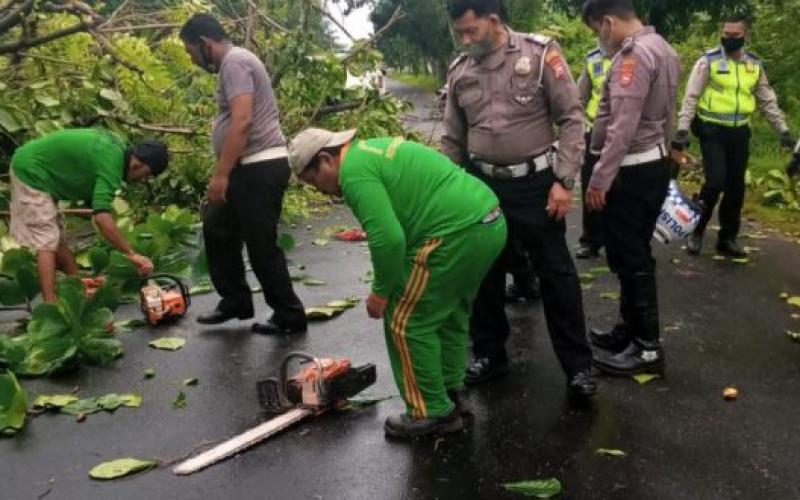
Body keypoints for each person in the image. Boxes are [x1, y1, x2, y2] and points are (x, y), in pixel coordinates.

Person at [288, 129, 507, 439]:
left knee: (407, 320)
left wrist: (381, 292)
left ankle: (432, 411)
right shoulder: (370, 149)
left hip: (455, 233)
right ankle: (448, 390)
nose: (321, 191)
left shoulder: (353, 173)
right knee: (449, 311)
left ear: (325, 159)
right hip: (488, 220)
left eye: (314, 182)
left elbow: (388, 240)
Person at [443, 0, 596, 396]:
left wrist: (565, 180)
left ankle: (578, 368)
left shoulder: (540, 53)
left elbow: (572, 119)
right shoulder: (460, 70)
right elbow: (453, 140)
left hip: (535, 184)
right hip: (480, 186)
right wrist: (446, 192)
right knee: (482, 272)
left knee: (556, 273)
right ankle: (489, 355)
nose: (464, 39)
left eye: (470, 30)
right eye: (458, 32)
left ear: (493, 21)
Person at [179, 14, 306, 334]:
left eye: (191, 51)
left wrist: (221, 174)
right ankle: (236, 299)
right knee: (217, 226)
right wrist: (225, 169)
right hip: (244, 166)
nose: (192, 60)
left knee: (261, 245)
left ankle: (290, 315)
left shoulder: (234, 62)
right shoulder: (233, 63)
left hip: (259, 166)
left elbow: (242, 120)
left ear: (206, 44)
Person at [581, 0, 680, 375]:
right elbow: (667, 114)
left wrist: (600, 178)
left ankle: (647, 348)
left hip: (630, 168)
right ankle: (630, 331)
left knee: (630, 255)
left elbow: (622, 125)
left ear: (607, 22)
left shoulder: (633, 56)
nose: (599, 39)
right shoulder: (663, 48)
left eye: (596, 31)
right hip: (652, 161)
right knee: (632, 252)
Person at [675, 15, 794, 257]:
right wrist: (682, 130)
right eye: (725, 34)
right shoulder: (707, 62)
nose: (728, 39)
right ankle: (696, 231)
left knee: (736, 188)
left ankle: (727, 238)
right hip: (712, 131)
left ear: (745, 36)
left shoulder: (754, 65)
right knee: (715, 182)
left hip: (739, 133)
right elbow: (691, 98)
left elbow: (767, 101)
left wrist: (783, 131)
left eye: (734, 35)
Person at [8, 127, 168, 302]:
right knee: (46, 241)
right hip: (31, 171)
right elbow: (101, 216)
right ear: (138, 164)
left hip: (40, 169)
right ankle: (50, 303)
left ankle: (75, 285)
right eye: (147, 174)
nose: (144, 180)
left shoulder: (117, 150)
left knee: (56, 237)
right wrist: (131, 254)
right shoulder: (111, 165)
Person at [575, 45, 612, 259]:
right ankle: (590, 239)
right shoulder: (593, 59)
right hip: (594, 132)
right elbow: (580, 97)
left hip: (626, 135)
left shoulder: (637, 54)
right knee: (591, 185)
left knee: (622, 189)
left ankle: (619, 239)